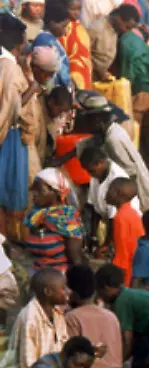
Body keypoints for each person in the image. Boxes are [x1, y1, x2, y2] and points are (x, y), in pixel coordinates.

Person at [0, 15, 35, 236]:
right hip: (9, 136)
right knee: (7, 192)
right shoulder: (9, 68)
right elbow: (12, 109)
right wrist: (32, 89)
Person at [24, 169, 84, 272]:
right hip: (37, 271)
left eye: (40, 190)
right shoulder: (35, 216)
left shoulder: (66, 219)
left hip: (60, 276)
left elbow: (75, 258)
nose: (34, 194)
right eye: (33, 189)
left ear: (56, 192)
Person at [82, 146, 141, 247]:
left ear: (100, 163)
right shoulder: (96, 175)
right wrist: (93, 237)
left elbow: (113, 221)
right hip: (110, 221)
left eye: (91, 171)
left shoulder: (116, 178)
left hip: (124, 227)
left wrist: (105, 246)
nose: (89, 174)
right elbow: (93, 208)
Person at [88, 4, 139, 83]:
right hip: (91, 77)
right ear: (118, 18)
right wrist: (99, 72)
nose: (128, 31)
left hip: (103, 78)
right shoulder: (96, 28)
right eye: (127, 27)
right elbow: (83, 54)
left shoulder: (116, 30)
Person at [107, 177, 144, 285]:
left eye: (109, 190)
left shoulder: (120, 217)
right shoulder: (132, 212)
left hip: (129, 269)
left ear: (117, 193)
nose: (106, 193)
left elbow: (122, 252)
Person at [31, 3, 71, 88]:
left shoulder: (51, 38)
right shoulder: (44, 40)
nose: (65, 31)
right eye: (63, 26)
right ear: (52, 23)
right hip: (53, 88)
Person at [59, 0, 91, 90]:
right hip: (71, 73)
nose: (76, 13)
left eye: (79, 9)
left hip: (85, 72)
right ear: (64, 8)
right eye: (73, 9)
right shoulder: (62, 28)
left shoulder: (80, 27)